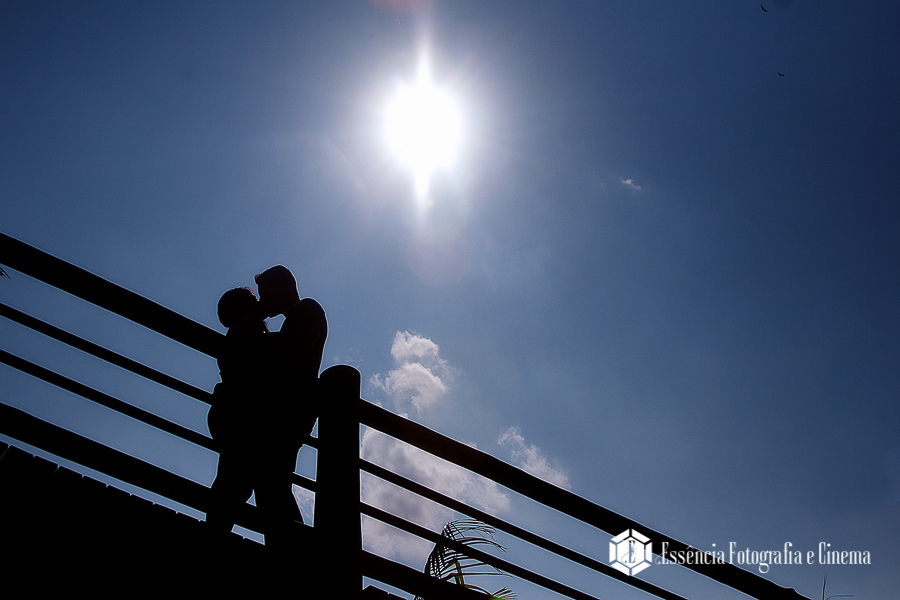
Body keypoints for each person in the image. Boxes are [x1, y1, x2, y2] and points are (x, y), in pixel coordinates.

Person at [253, 265, 327, 548]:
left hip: (290, 412)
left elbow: (291, 345)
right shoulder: (300, 315)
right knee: (273, 482)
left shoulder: (307, 310)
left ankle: (291, 552)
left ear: (280, 289)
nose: (263, 301)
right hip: (291, 411)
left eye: (265, 293)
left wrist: (254, 338)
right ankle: (286, 549)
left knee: (272, 482)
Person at [206, 287, 268, 533]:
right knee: (237, 480)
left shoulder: (235, 331)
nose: (260, 303)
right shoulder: (250, 327)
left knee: (232, 478)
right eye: (254, 300)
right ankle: (216, 531)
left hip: (231, 410)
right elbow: (267, 353)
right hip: (242, 412)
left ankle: (217, 528)